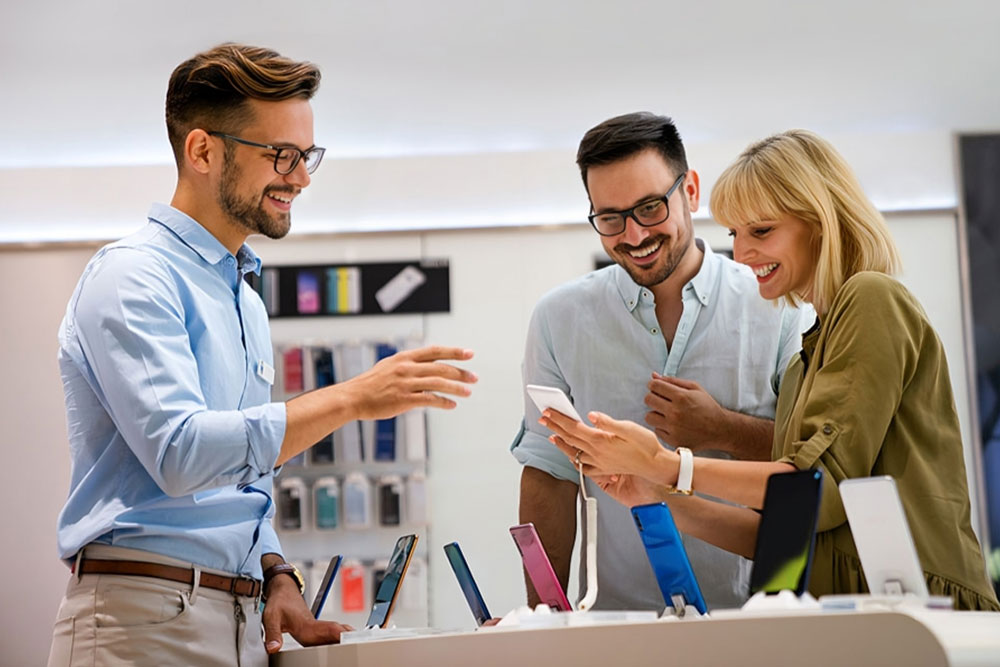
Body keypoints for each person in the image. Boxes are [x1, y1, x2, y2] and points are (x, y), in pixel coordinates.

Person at [47, 43, 477, 667]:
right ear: (202, 151)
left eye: (307, 157)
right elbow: (181, 454)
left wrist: (274, 570)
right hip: (142, 621)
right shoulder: (133, 277)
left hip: (240, 620)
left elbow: (241, 476)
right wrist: (352, 397)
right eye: (281, 155)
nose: (300, 177)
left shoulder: (243, 296)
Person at [543, 129, 1000, 610]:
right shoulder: (806, 359)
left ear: (821, 222)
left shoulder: (872, 299)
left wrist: (667, 465)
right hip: (854, 618)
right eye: (735, 235)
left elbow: (814, 491)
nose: (741, 255)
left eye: (761, 232)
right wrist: (654, 496)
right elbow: (788, 529)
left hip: (924, 621)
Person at [511, 112, 810, 611]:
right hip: (617, 625)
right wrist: (543, 618)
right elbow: (549, 473)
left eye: (650, 207)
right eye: (609, 218)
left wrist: (724, 430)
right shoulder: (558, 319)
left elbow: (810, 467)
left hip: (759, 618)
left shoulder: (778, 304)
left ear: (690, 191)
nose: (633, 236)